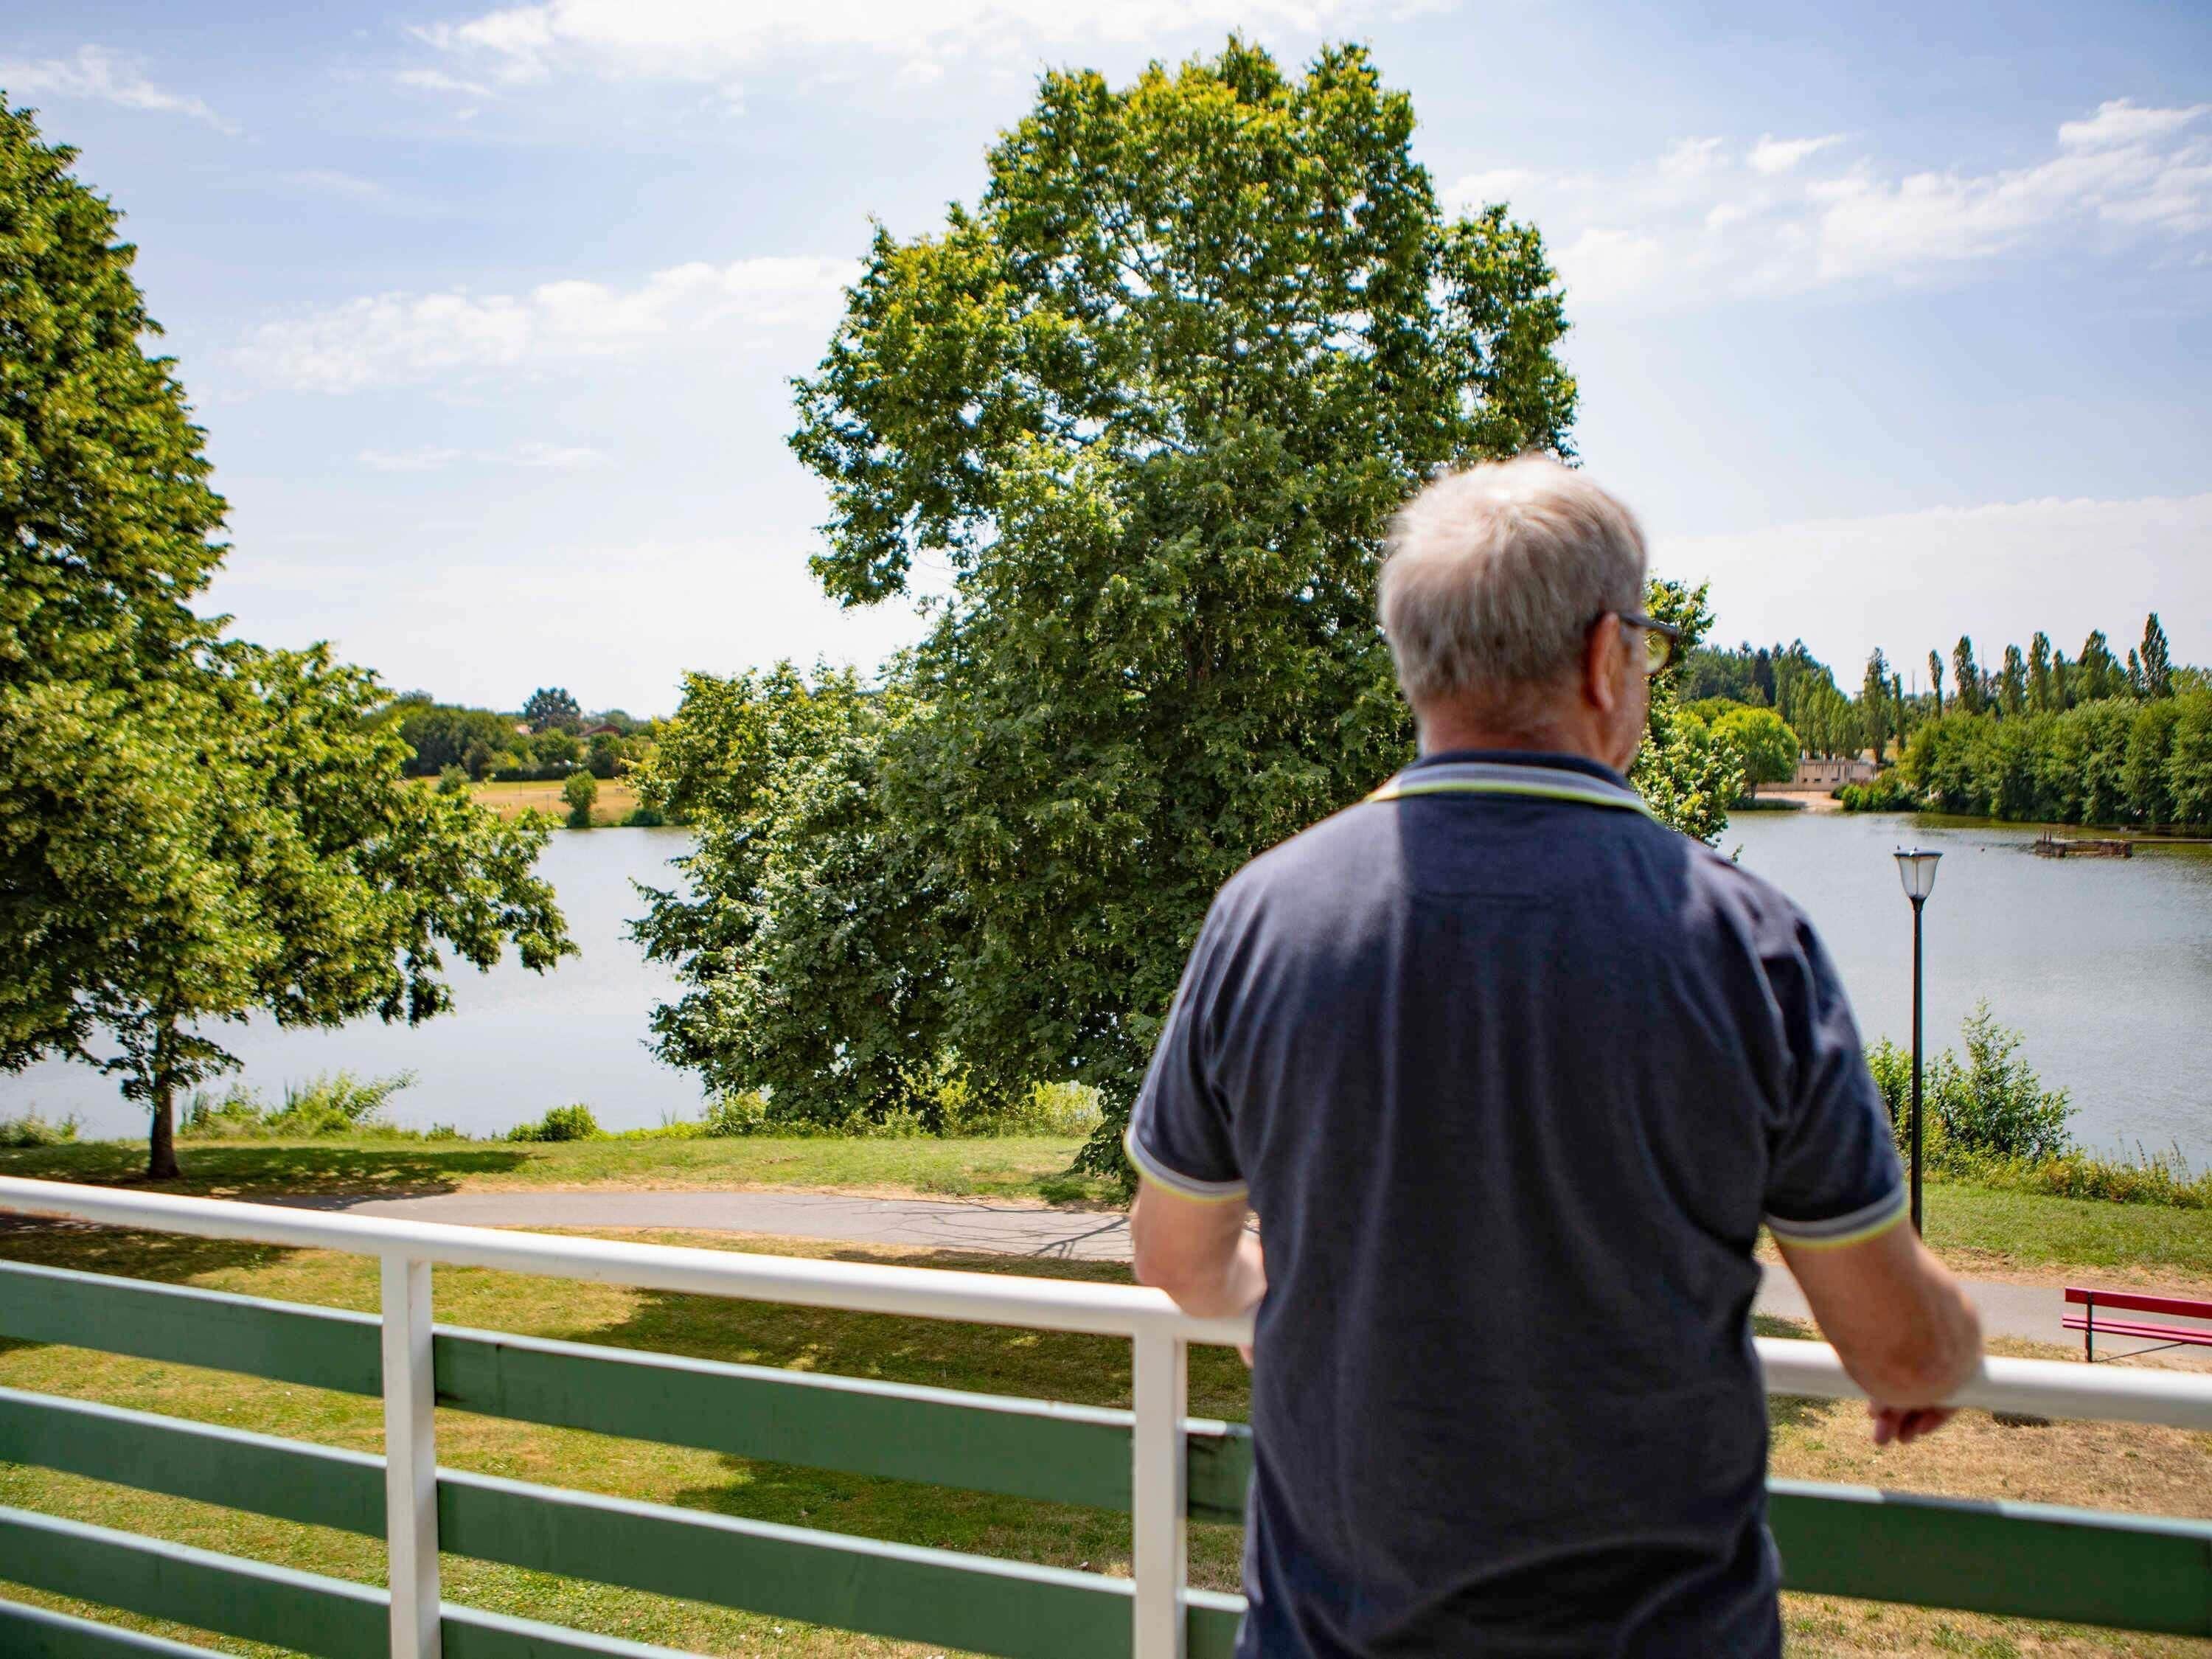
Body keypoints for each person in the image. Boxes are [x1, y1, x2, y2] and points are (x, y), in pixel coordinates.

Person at [1126, 456, 1983, 1658]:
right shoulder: (1745, 944)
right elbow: (1897, 1345)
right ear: (1603, 657)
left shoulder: (1264, 917)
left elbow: (1174, 1252)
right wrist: (1955, 1340)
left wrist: (1275, 1290)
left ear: (1417, 660)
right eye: (1649, 642)